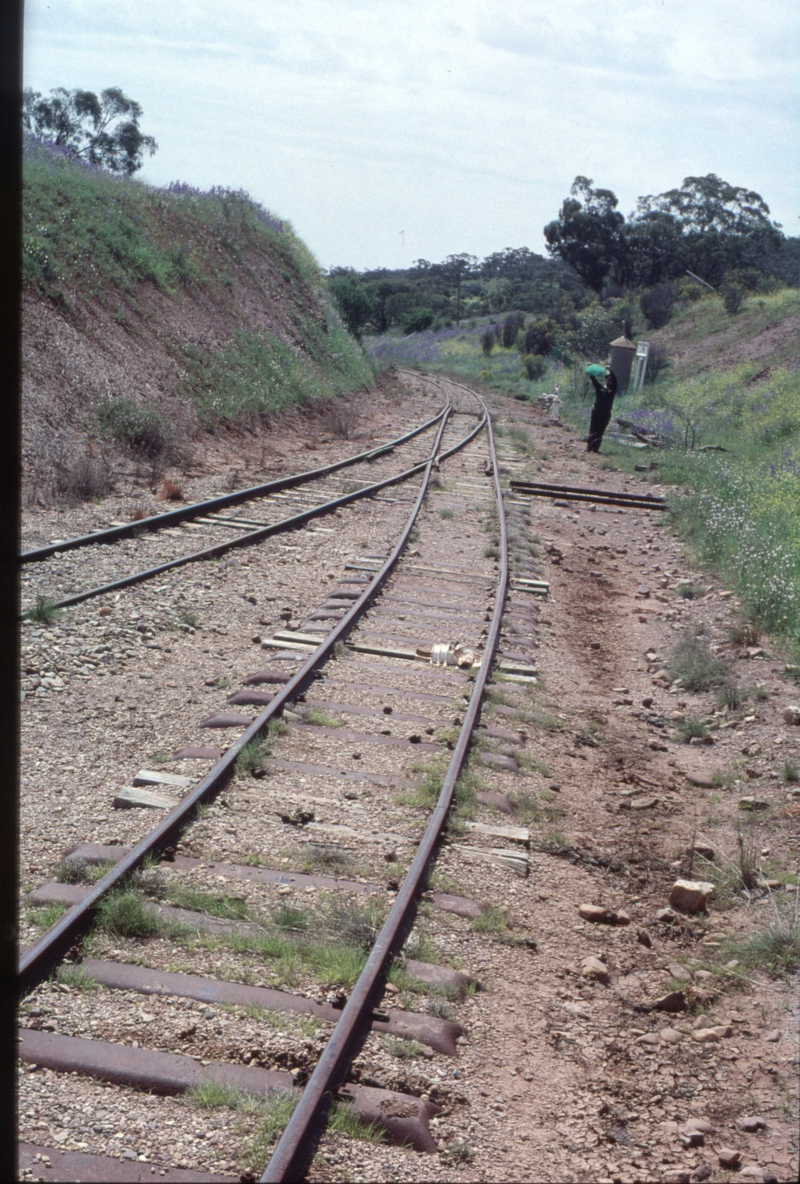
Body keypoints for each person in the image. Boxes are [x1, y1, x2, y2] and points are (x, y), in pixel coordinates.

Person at [586, 363, 618, 452]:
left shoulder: (612, 390)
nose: (609, 381)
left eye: (610, 380)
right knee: (593, 429)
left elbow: (615, 381)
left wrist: (610, 371)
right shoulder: (600, 388)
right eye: (607, 379)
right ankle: (589, 447)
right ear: (605, 380)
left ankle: (596, 448)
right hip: (596, 411)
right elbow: (593, 380)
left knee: (600, 431)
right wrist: (590, 369)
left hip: (605, 413)